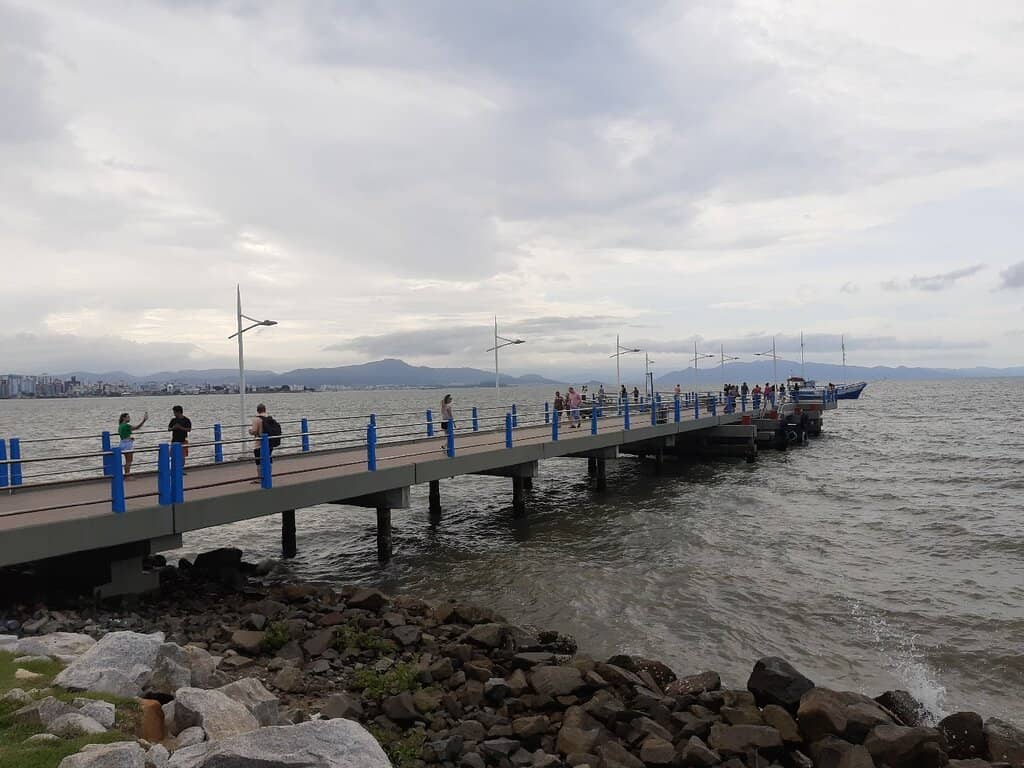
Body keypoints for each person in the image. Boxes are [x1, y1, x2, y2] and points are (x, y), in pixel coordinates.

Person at [117, 410, 148, 477]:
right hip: (127, 444)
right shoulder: (126, 425)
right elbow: (137, 427)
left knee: (127, 460)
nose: (129, 418)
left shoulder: (120, 426)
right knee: (129, 461)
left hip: (122, 443)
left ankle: (126, 474)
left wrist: (130, 438)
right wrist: (144, 420)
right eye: (128, 417)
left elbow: (124, 435)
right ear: (123, 418)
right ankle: (127, 475)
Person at [249, 403, 272, 482]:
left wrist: (250, 431)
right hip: (270, 442)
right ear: (265, 409)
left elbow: (254, 431)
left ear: (257, 410)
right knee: (268, 459)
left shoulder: (256, 419)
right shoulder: (269, 417)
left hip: (259, 443)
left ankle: (260, 478)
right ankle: (268, 475)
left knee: (259, 461)